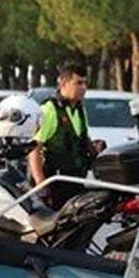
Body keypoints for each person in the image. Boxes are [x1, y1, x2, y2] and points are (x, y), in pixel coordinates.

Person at [28, 64, 105, 210]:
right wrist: (41, 184)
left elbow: (80, 135)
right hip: (55, 184)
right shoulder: (49, 110)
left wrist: (94, 148)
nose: (84, 88)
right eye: (79, 83)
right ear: (63, 84)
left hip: (75, 180)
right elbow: (34, 149)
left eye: (85, 83)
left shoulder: (80, 109)